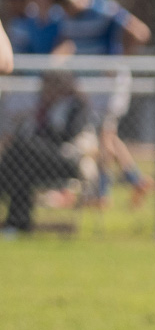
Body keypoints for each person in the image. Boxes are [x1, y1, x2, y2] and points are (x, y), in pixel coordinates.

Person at [50, 0, 153, 206]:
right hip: (89, 82)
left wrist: (119, 61)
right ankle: (135, 178)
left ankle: (102, 192)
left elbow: (140, 32)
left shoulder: (104, 9)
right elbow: (68, 44)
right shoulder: (65, 16)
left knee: (105, 135)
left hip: (109, 81)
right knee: (105, 135)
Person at [1, 71, 100, 233]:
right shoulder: (44, 108)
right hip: (44, 161)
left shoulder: (77, 106)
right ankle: (17, 224)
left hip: (69, 160)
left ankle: (12, 212)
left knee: (21, 146)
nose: (44, 89)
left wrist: (44, 136)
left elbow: (69, 135)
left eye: (49, 85)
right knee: (21, 170)